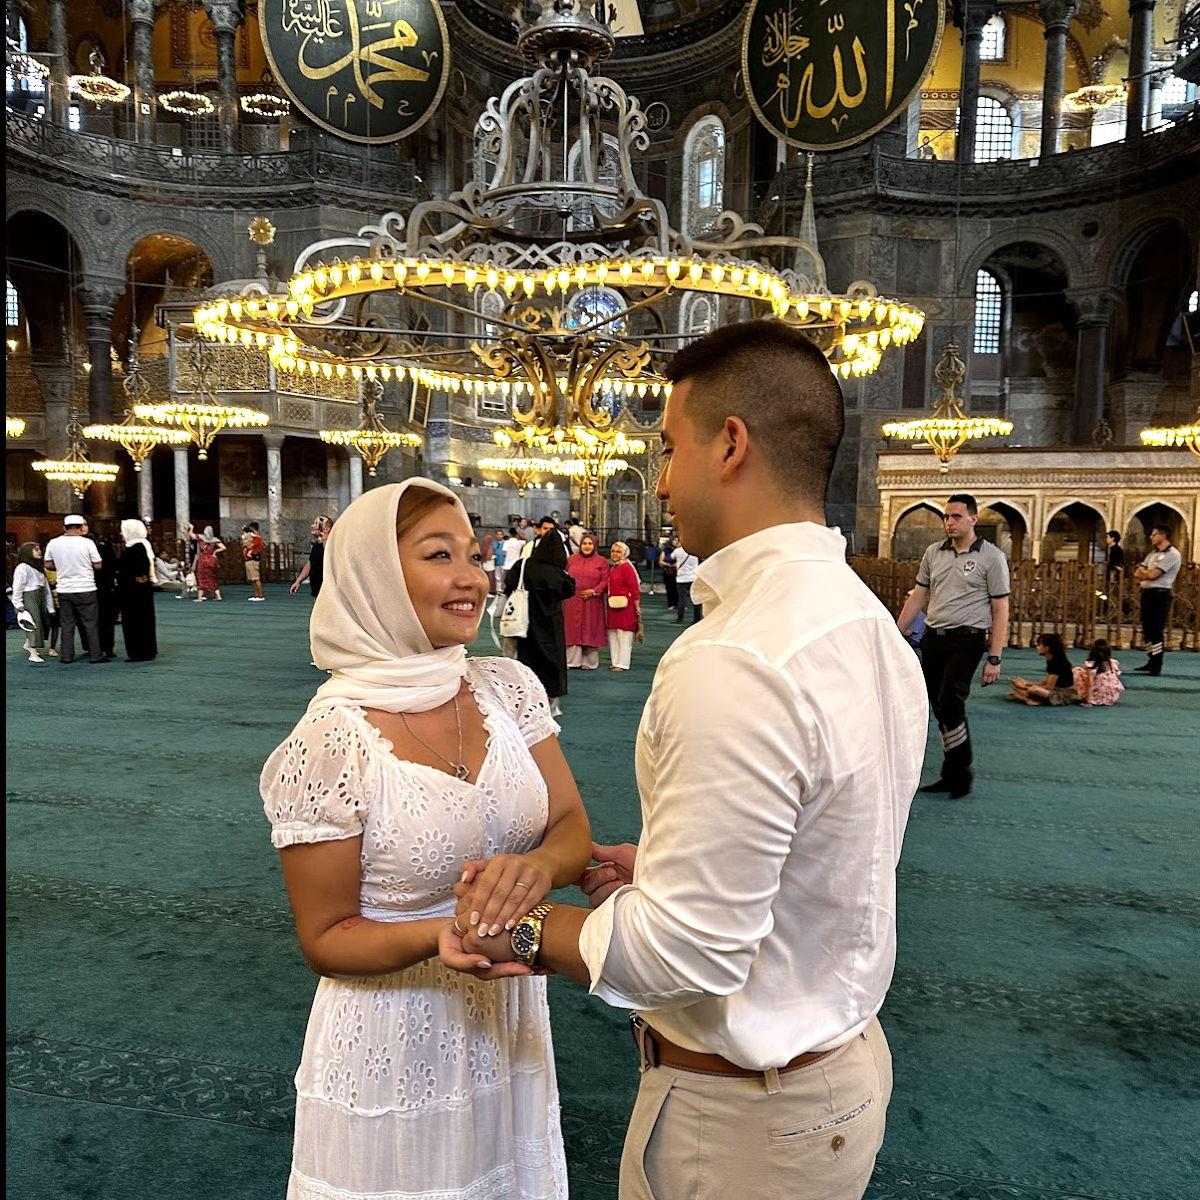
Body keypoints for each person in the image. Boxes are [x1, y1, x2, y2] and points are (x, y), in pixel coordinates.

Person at [444, 319, 927, 1200]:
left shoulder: (737, 654)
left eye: (669, 447)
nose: (661, 480)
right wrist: (671, 871)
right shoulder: (864, 620)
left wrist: (519, 930)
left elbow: (687, 954)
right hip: (836, 1069)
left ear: (730, 444)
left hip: (745, 1124)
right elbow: (833, 850)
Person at [259, 479, 590, 1200]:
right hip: (391, 1036)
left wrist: (536, 869)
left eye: (474, 554)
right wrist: (439, 935)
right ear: (374, 577)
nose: (472, 577)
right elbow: (326, 937)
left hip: (504, 1025)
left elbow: (571, 825)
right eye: (440, 555)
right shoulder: (331, 741)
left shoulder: (507, 687)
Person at [896, 494, 1010, 799]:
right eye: (946, 517)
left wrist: (995, 657)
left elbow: (1000, 609)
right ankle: (951, 773)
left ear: (973, 519)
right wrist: (898, 631)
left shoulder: (992, 557)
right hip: (935, 638)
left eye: (956, 516)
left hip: (968, 639)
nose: (949, 522)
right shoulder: (933, 553)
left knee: (950, 702)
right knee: (939, 706)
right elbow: (919, 595)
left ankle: (962, 772)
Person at [505, 520, 575, 716]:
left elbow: (509, 585)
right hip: (551, 625)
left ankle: (524, 701)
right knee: (551, 663)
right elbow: (569, 590)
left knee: (527, 660)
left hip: (525, 623)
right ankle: (550, 705)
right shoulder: (556, 573)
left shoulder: (523, 565)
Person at [43, 515, 108, 665]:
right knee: (90, 623)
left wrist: (62, 567)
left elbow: (47, 564)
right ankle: (95, 655)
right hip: (86, 588)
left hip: (64, 589)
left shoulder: (54, 543)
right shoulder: (87, 543)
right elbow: (98, 565)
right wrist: (83, 566)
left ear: (64, 528)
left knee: (67, 624)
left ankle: (66, 656)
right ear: (81, 527)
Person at [1133, 523, 1182, 675]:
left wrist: (1146, 573)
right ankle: (1151, 659)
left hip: (1160, 594)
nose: (1151, 537)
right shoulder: (1152, 554)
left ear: (1163, 535)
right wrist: (1146, 574)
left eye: (1154, 534)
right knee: (1147, 629)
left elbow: (1154, 575)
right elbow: (1137, 573)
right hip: (1147, 593)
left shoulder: (1172, 554)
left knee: (1156, 629)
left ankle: (1157, 663)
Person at [564, 532, 609, 670]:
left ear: (595, 545)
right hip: (572, 600)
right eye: (584, 543)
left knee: (591, 628)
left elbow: (605, 580)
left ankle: (589, 662)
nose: (587, 546)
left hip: (593, 602)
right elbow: (564, 576)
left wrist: (594, 591)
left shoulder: (601, 561)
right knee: (572, 629)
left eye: (590, 544)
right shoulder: (571, 559)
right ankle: (572, 661)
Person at [117, 519, 158, 662]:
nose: (121, 533)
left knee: (136, 621)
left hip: (134, 593)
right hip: (138, 592)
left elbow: (140, 574)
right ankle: (146, 650)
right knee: (143, 620)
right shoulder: (140, 546)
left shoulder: (136, 548)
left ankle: (139, 652)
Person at [11, 541, 54, 663]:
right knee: (34, 624)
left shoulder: (38, 567)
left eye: (39, 549)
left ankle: (29, 643)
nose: (39, 551)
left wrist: (50, 607)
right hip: (29, 596)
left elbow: (46, 588)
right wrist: (18, 603)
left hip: (40, 596)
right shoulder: (22, 567)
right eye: (36, 549)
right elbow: (17, 586)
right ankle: (33, 651)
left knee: (43, 622)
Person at [1006, 633, 1076, 706]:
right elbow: (1046, 682)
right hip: (1054, 690)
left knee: (1033, 690)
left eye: (1039, 645)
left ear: (1047, 648)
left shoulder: (1057, 663)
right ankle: (1029, 698)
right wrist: (1026, 682)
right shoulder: (1051, 660)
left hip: (1062, 694)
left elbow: (1048, 687)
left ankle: (1029, 698)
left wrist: (1025, 687)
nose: (1037, 647)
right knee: (1020, 688)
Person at [605, 540, 642, 672]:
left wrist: (637, 607)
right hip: (612, 605)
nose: (615, 554)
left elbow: (635, 588)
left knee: (624, 635)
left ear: (624, 553)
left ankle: (623, 663)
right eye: (613, 551)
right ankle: (615, 661)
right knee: (613, 634)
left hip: (626, 607)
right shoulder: (614, 567)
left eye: (618, 552)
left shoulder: (627, 568)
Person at [1073, 638, 1124, 707]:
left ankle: (1088, 697)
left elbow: (1090, 683)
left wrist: (1088, 701)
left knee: (1077, 671)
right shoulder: (1113, 663)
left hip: (1097, 696)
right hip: (1111, 697)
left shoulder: (1091, 664)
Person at [290, 515, 332, 598]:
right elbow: (310, 564)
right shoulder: (317, 545)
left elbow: (327, 552)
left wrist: (323, 535)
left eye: (316, 523)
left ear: (326, 529)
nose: (312, 526)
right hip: (316, 591)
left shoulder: (331, 544)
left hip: (328, 593)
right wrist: (298, 581)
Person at [94, 531, 119, 659]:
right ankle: (108, 648)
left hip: (94, 587)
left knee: (96, 620)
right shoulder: (108, 549)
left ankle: (97, 648)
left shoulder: (94, 549)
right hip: (108, 588)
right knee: (108, 621)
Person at [192, 525, 225, 601]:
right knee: (212, 577)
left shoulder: (201, 538)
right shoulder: (215, 540)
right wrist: (215, 552)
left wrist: (191, 528)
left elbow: (191, 535)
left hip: (203, 560)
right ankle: (218, 596)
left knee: (201, 577)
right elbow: (223, 547)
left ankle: (200, 597)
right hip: (211, 560)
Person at [671, 541, 700, 623]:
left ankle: (680, 618)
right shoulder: (696, 551)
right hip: (693, 577)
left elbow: (671, 557)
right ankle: (697, 619)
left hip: (681, 578)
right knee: (695, 599)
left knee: (681, 599)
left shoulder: (677, 551)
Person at [243, 522, 265, 601]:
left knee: (256, 578)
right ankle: (256, 595)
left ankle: (260, 596)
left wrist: (246, 543)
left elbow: (249, 545)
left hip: (253, 559)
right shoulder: (252, 537)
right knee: (252, 579)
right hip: (248, 559)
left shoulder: (257, 538)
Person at [659, 535, 678, 610]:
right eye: (675, 540)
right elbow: (661, 561)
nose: (676, 542)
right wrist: (668, 564)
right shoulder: (666, 550)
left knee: (678, 588)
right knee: (670, 588)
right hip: (668, 572)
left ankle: (679, 604)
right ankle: (671, 603)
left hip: (677, 572)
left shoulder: (680, 550)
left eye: (677, 540)